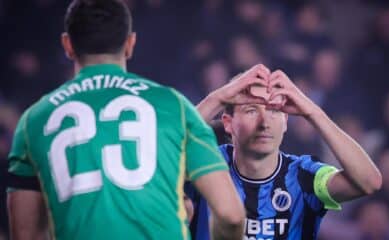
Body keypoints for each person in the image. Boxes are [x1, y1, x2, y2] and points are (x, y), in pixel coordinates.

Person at [6, 1, 246, 240]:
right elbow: (231, 215)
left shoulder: (33, 121)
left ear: (68, 45)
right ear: (130, 44)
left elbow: (25, 234)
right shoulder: (173, 106)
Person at [187, 64, 382, 240]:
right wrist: (218, 98)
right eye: (251, 110)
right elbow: (163, 151)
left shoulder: (303, 176)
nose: (264, 123)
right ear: (228, 123)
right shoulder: (207, 165)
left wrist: (312, 112)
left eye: (274, 110)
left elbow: (369, 182)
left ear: (285, 122)